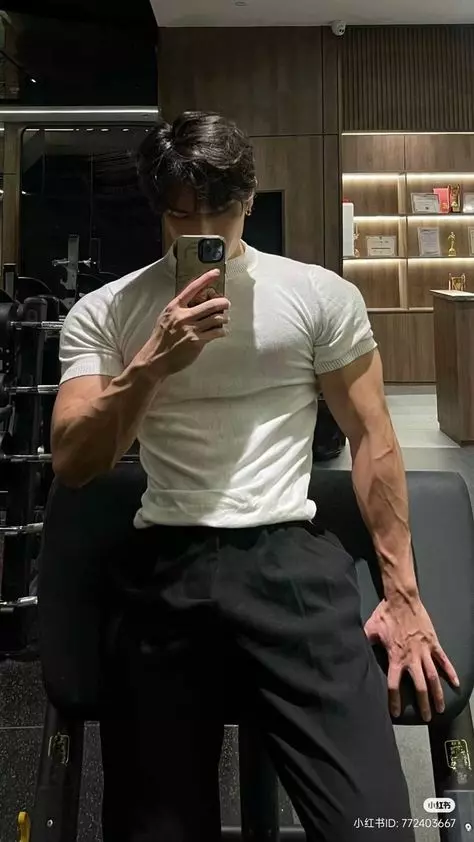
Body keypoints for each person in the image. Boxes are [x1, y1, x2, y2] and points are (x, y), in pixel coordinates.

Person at [51, 111, 459, 842]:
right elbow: (75, 461)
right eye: (184, 215)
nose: (205, 229)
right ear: (160, 211)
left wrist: (403, 596)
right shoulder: (107, 311)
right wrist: (152, 365)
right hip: (166, 566)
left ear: (248, 199)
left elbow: (373, 438)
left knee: (374, 829)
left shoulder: (318, 295)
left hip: (288, 563)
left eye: (221, 210)